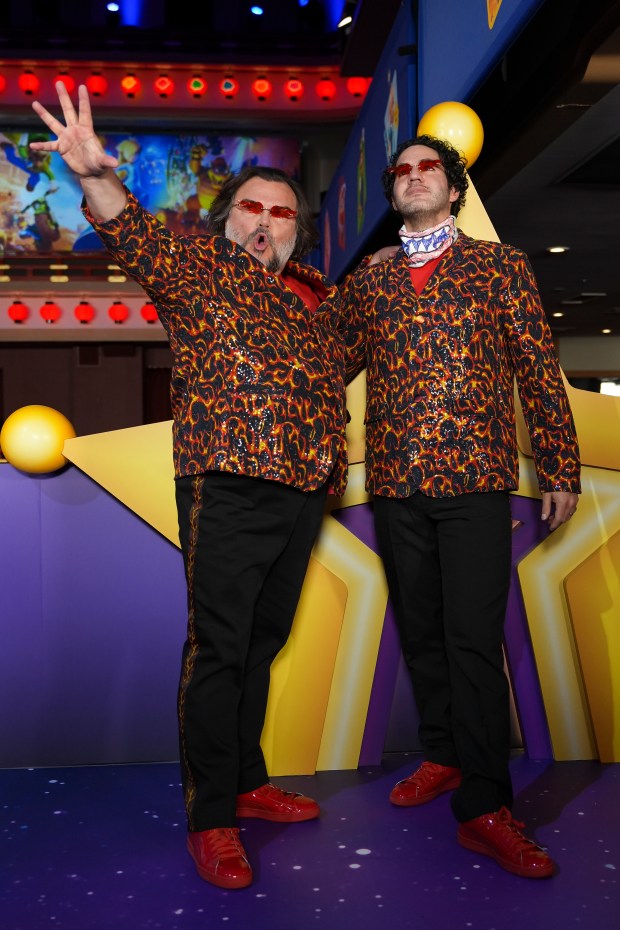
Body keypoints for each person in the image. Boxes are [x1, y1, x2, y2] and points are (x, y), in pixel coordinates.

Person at [30, 83, 348, 891]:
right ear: (229, 216)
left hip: (305, 488)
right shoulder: (199, 269)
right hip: (228, 482)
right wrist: (94, 174)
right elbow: (130, 228)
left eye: (282, 213)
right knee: (219, 650)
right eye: (253, 206)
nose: (266, 221)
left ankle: (246, 778)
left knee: (262, 647)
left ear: (294, 231)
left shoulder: (316, 300)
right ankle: (213, 818)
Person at [340, 135, 581, 879]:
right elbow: (321, 361)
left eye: (428, 168)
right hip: (395, 483)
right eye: (401, 170)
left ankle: (485, 805)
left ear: (454, 186)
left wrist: (560, 465)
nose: (413, 177)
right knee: (423, 632)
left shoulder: (501, 266)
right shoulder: (373, 281)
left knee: (473, 640)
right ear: (394, 191)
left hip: (475, 479)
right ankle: (444, 754)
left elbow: (539, 368)